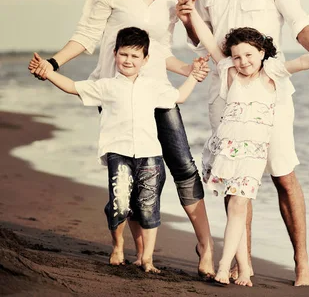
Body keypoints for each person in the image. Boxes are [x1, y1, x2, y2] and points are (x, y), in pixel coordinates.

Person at [28, 0, 215, 278]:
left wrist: (188, 68)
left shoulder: (172, 0)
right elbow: (86, 36)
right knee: (131, 166)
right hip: (116, 92)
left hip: (156, 90)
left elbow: (160, 50)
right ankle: (142, 253)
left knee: (183, 165)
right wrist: (53, 64)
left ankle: (205, 247)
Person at [176, 0, 309, 285]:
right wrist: (187, 17)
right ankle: (241, 264)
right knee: (236, 181)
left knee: (283, 174)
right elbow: (198, 37)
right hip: (225, 95)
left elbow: (300, 22)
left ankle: (301, 265)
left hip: (270, 93)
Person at [183, 3, 309, 285]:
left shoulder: (271, 73)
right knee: (237, 206)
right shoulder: (229, 71)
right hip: (226, 150)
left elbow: (302, 63)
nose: (243, 61)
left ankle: (224, 266)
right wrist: (191, 11)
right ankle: (244, 269)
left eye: (249, 54)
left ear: (262, 52)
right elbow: (209, 40)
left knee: (237, 206)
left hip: (253, 155)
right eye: (237, 56)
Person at [29, 27, 206, 273]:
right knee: (120, 205)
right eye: (124, 54)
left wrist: (194, 76)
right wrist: (48, 72)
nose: (128, 60)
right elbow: (72, 87)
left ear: (145, 59)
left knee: (148, 207)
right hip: (119, 153)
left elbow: (179, 97)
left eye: (135, 56)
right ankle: (118, 245)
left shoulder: (153, 87)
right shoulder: (107, 86)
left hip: (150, 156)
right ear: (114, 54)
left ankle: (147, 259)